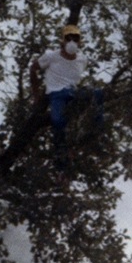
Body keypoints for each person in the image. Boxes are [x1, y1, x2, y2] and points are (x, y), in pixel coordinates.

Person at [30, 24, 104, 170]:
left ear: (79, 41)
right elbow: (33, 68)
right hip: (57, 93)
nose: (72, 41)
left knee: (98, 93)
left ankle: (96, 130)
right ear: (62, 41)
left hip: (73, 92)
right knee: (57, 121)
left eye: (75, 38)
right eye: (68, 38)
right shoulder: (52, 56)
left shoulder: (82, 59)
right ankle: (60, 152)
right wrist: (36, 94)